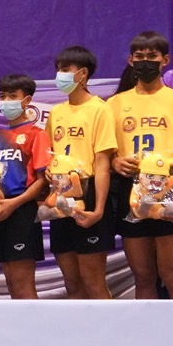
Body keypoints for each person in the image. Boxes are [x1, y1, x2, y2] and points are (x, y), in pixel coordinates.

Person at [107, 32, 173, 300]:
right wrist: (115, 161)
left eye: (152, 56)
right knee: (142, 276)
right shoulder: (114, 103)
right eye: (140, 56)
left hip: (168, 188)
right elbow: (106, 152)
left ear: (165, 60)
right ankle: (147, 328)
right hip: (131, 191)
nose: (145, 62)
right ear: (131, 60)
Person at [46, 46, 117, 299]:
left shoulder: (100, 109)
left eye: (66, 69)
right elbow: (51, 155)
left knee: (93, 281)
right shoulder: (56, 112)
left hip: (88, 193)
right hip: (60, 195)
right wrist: (50, 171)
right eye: (58, 69)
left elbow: (102, 163)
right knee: (72, 283)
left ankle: (107, 326)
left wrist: (98, 209)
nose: (60, 75)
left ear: (83, 73)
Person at [0, 74, 51, 299]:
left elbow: (42, 181)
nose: (6, 101)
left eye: (12, 96)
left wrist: (13, 204)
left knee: (23, 285)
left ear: (26, 100)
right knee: (11, 283)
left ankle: (34, 323)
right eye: (2, 96)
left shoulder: (36, 134)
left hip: (21, 211)